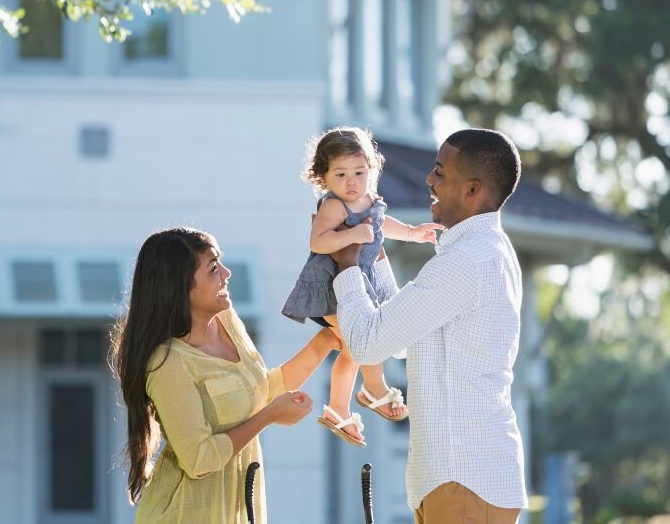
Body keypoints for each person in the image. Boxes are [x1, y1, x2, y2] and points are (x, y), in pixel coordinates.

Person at [330, 128, 527, 523]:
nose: (428, 180)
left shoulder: (466, 261)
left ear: (473, 190)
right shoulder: (484, 252)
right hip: (464, 482)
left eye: (440, 172)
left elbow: (369, 344)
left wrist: (347, 265)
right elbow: (402, 335)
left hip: (465, 484)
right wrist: (374, 257)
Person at [110, 227, 341, 524]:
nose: (227, 274)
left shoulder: (226, 322)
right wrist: (269, 416)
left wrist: (325, 341)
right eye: (214, 268)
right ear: (180, 286)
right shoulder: (167, 363)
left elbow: (260, 391)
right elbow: (199, 459)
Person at [281, 126, 442, 446]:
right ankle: (374, 388)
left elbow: (382, 227)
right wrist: (350, 237)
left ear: (372, 170)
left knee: (355, 348)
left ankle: (339, 408)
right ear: (322, 177)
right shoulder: (333, 207)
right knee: (364, 338)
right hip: (329, 286)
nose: (351, 182)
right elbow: (319, 240)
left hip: (356, 281)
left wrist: (412, 232)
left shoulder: (368, 200)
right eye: (340, 174)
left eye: (359, 172)